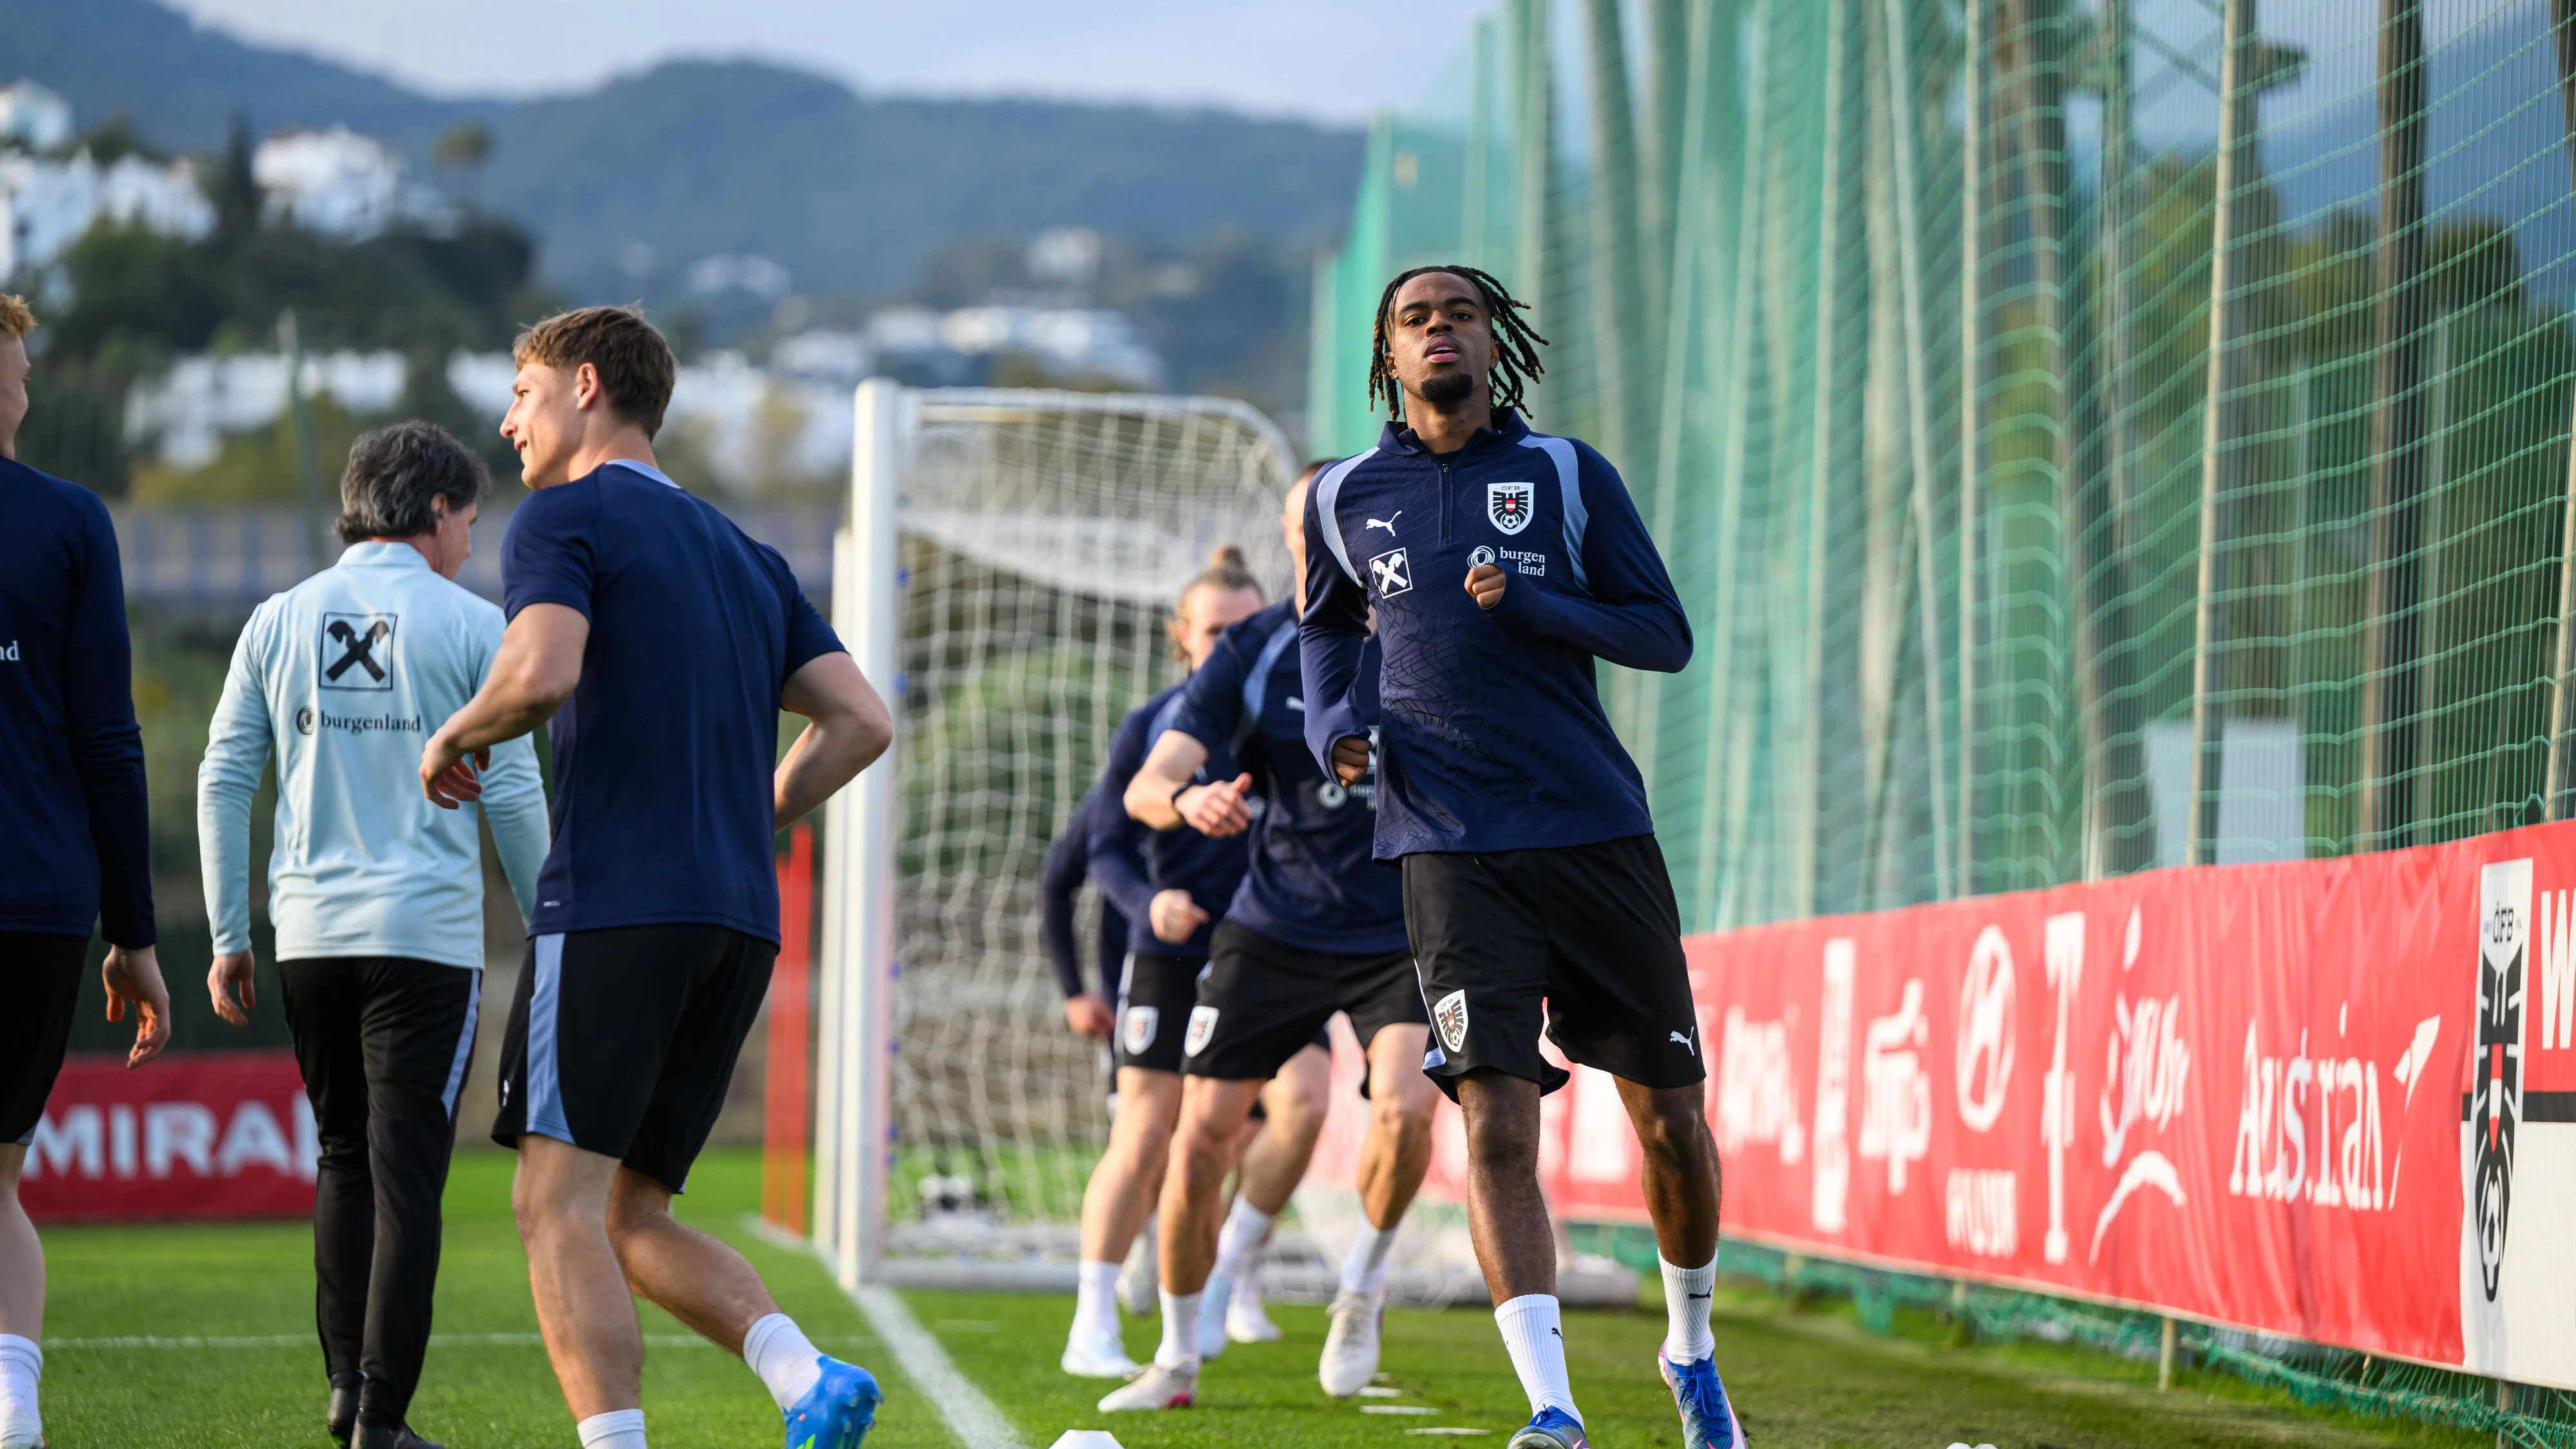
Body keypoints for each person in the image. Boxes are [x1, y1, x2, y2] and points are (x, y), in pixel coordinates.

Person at [417, 305, 893, 1449]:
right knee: (632, 1213)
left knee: (552, 1206)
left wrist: (454, 736)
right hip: (737, 918)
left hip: (618, 906)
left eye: (522, 395)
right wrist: (755, 813)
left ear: (586, 386)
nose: (507, 421)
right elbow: (861, 721)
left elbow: (538, 673)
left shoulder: (562, 517)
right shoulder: (746, 552)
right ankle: (805, 1380)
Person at [1300, 266, 1739, 1449]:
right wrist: (1332, 727)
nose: (1439, 330)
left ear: (1496, 343)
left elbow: (1665, 634)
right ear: (1387, 359)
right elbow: (1327, 630)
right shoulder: (1340, 496)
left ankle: (1690, 1349)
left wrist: (1544, 609)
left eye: (1460, 313)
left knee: (1672, 1124)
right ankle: (1552, 1408)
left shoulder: (1564, 473)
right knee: (1493, 1120)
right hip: (1445, 846)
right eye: (1414, 319)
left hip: (1594, 830)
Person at [198, 422, 551, 1449]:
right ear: (436, 511)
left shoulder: (279, 616)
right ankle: (385, 1422)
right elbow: (516, 797)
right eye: (470, 524)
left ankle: (349, 1394)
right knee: (408, 1179)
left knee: (342, 1158)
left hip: (308, 937)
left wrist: (231, 933)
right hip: (425, 942)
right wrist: (554, 932)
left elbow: (224, 779)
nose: (470, 546)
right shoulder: (475, 624)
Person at [1101, 462, 1439, 1412]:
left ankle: (1362, 1283)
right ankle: (1173, 1357)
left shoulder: (1434, 630)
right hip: (1277, 922)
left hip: (1404, 922)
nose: (1330, 537)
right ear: (1294, 540)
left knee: (1407, 1110)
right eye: (1310, 525)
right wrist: (1186, 795)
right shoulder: (1252, 647)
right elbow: (1144, 786)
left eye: (1349, 519)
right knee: (1200, 1138)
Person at [1061, 551, 1332, 1378]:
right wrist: (1150, 906)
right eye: (1213, 630)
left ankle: (1233, 1275)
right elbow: (1099, 848)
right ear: (1183, 636)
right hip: (1173, 955)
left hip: (1273, 949)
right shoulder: (1154, 727)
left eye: (1242, 629)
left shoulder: (1302, 709)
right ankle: (1093, 1320)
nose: (1228, 644)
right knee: (1147, 1132)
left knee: (1301, 1110)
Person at [0, 290, 169, 1449]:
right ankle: (13, 1412)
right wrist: (135, 932)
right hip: (37, 898)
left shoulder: (72, 520)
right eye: (18, 357)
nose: (26, 375)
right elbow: (108, 739)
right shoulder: (69, 523)